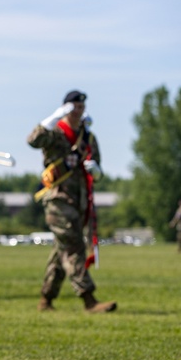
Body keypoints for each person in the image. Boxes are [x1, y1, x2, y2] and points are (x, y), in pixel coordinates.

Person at [27, 91, 116, 313]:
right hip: (58, 199)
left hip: (79, 201)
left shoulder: (88, 137)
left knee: (62, 251)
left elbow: (98, 169)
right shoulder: (56, 133)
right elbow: (33, 140)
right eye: (74, 107)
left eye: (81, 107)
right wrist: (55, 117)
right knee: (74, 247)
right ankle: (89, 300)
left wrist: (95, 171)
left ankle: (46, 299)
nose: (78, 111)